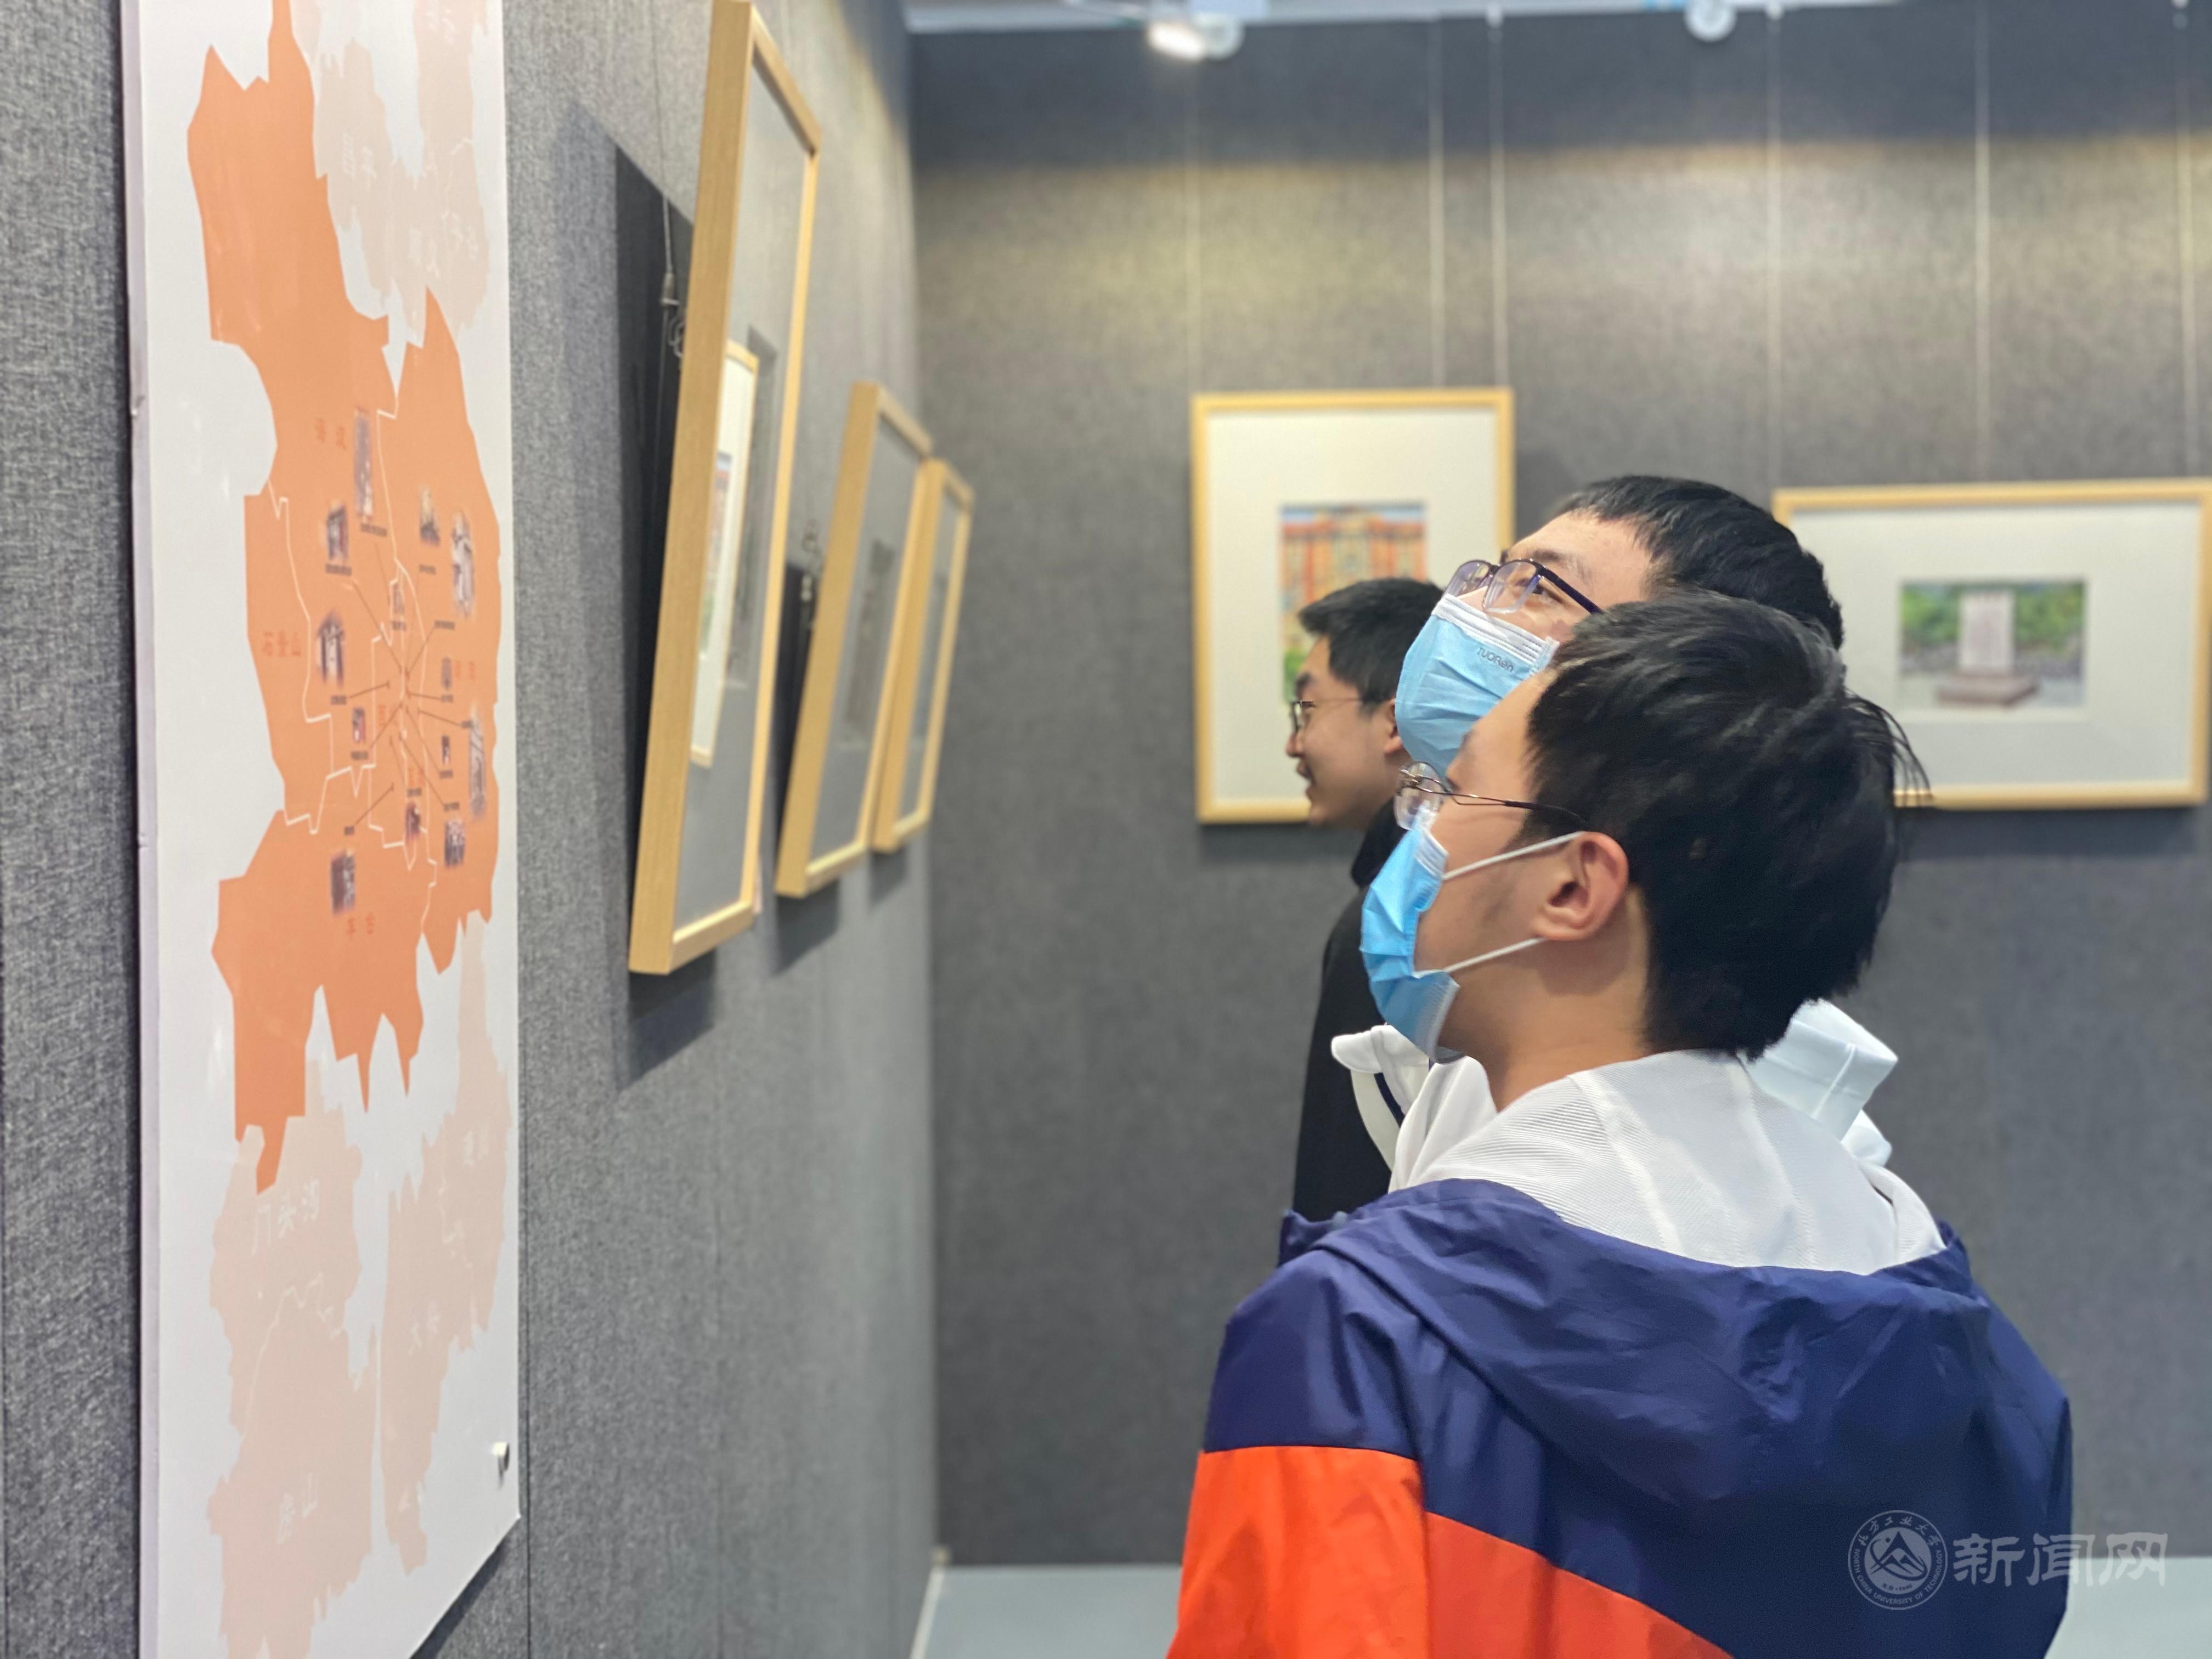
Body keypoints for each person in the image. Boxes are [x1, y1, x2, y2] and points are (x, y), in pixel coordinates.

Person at [1169, 597, 2071, 1659]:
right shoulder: (1961, 1335)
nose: (1421, 826)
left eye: (1452, 789)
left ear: (1572, 884)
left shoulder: (1355, 1338)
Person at [1339, 475, 1899, 1177]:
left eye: (1539, 587)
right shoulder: (1482, 1033)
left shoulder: (1789, 1163)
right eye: (1436, 798)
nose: (1472, 609)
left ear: (1689, 678)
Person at [1283, 578, 1441, 1220]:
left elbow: (1346, 1189)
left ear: (1394, 722)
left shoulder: (1393, 919)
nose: (1294, 744)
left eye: (1308, 710)